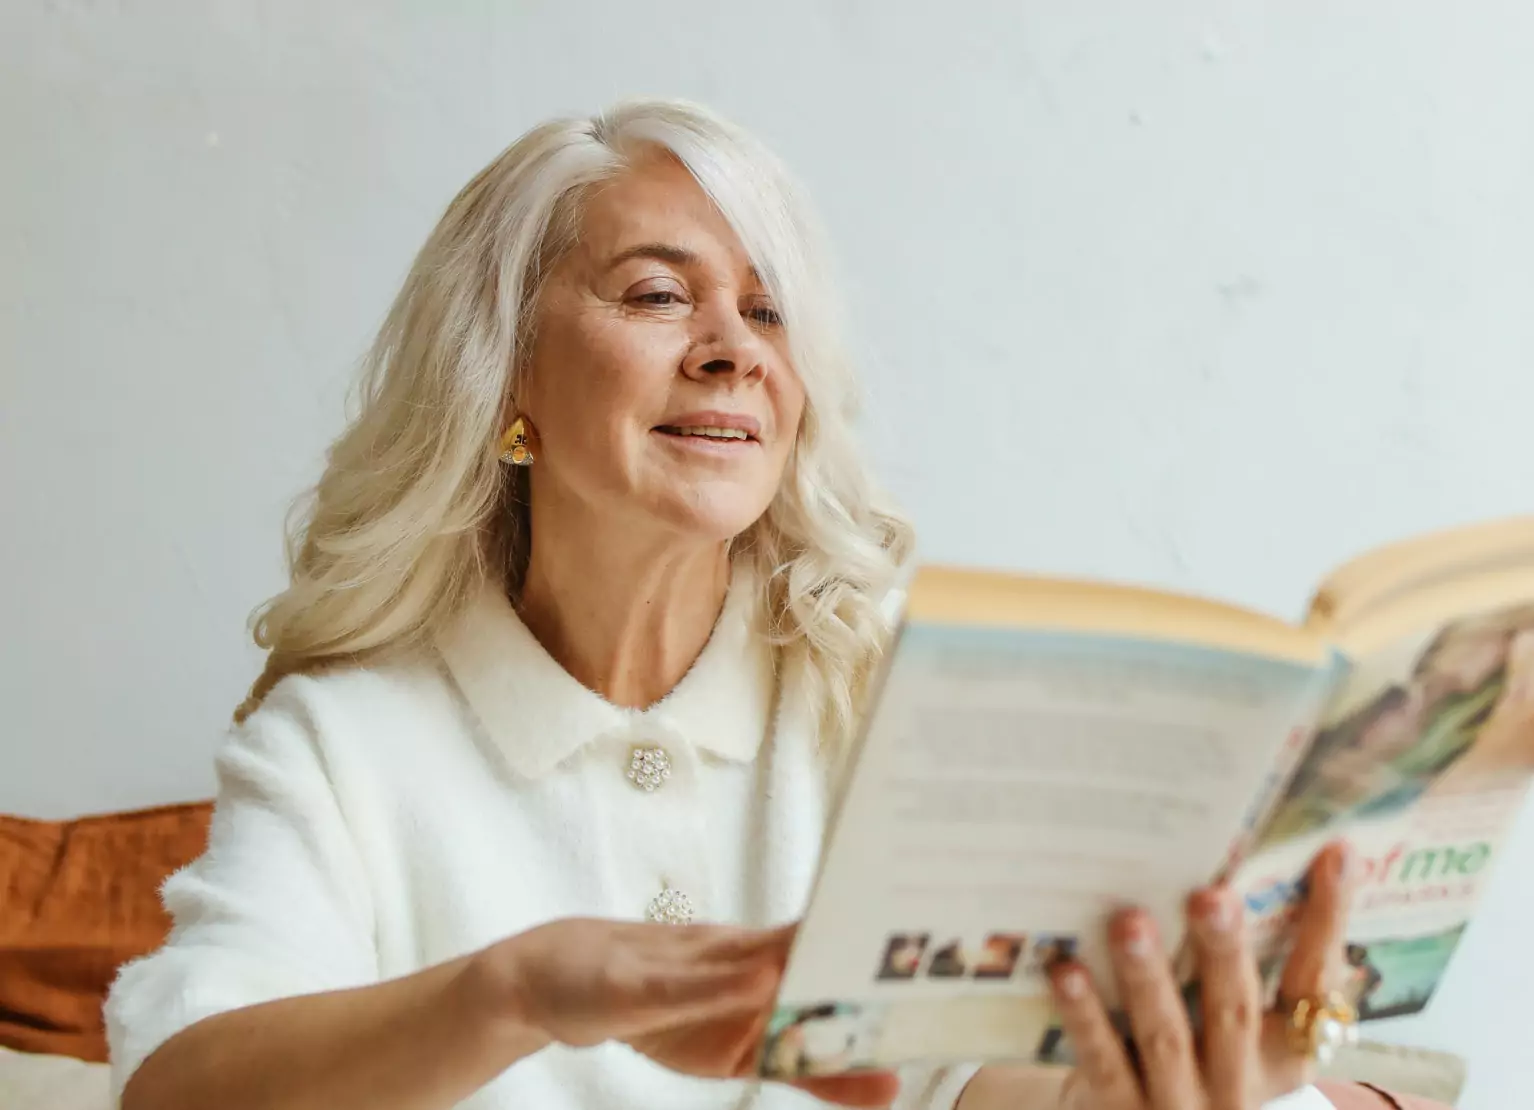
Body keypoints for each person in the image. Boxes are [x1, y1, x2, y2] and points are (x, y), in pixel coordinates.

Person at [104, 99, 1365, 1110]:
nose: (735, 348)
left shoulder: (892, 691)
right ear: (505, 385)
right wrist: (516, 993)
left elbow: (982, 1082)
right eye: (658, 296)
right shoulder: (342, 748)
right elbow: (180, 1088)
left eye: (768, 310)